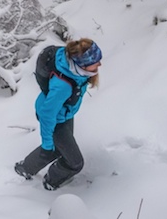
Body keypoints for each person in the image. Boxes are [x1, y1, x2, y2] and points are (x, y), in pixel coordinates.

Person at [14, 38, 102, 191]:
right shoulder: (63, 87)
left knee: (59, 148)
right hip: (55, 119)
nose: (99, 64)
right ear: (83, 64)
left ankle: (25, 167)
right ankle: (51, 181)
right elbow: (47, 116)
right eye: (96, 61)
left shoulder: (72, 64)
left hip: (64, 113)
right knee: (74, 162)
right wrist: (47, 144)